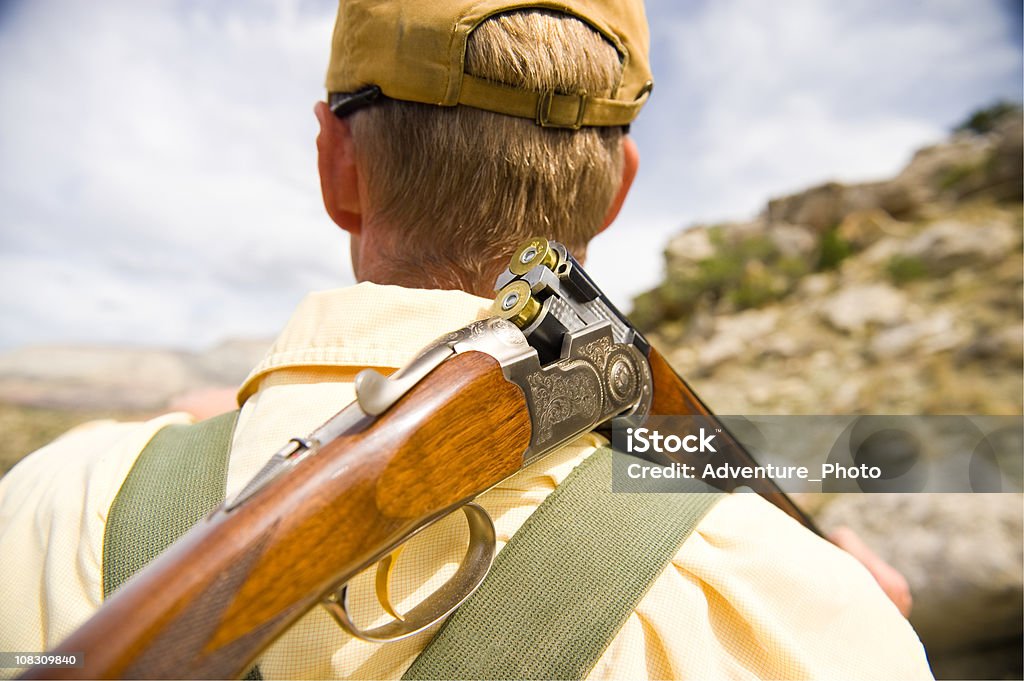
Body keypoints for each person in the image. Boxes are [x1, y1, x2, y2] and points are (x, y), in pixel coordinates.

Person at [0, 1, 930, 678]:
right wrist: (848, 619)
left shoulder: (47, 501)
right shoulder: (800, 611)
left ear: (337, 164)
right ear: (617, 188)